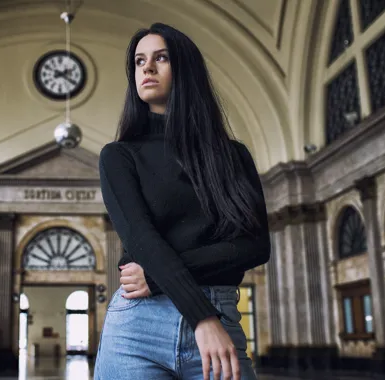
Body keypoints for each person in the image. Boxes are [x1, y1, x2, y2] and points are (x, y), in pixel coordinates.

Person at [94, 22, 271, 380]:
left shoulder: (233, 156)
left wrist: (157, 279)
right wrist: (202, 317)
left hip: (218, 314)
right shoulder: (119, 156)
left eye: (161, 58)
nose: (147, 68)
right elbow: (141, 241)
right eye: (140, 61)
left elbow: (255, 246)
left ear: (185, 69)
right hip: (137, 329)